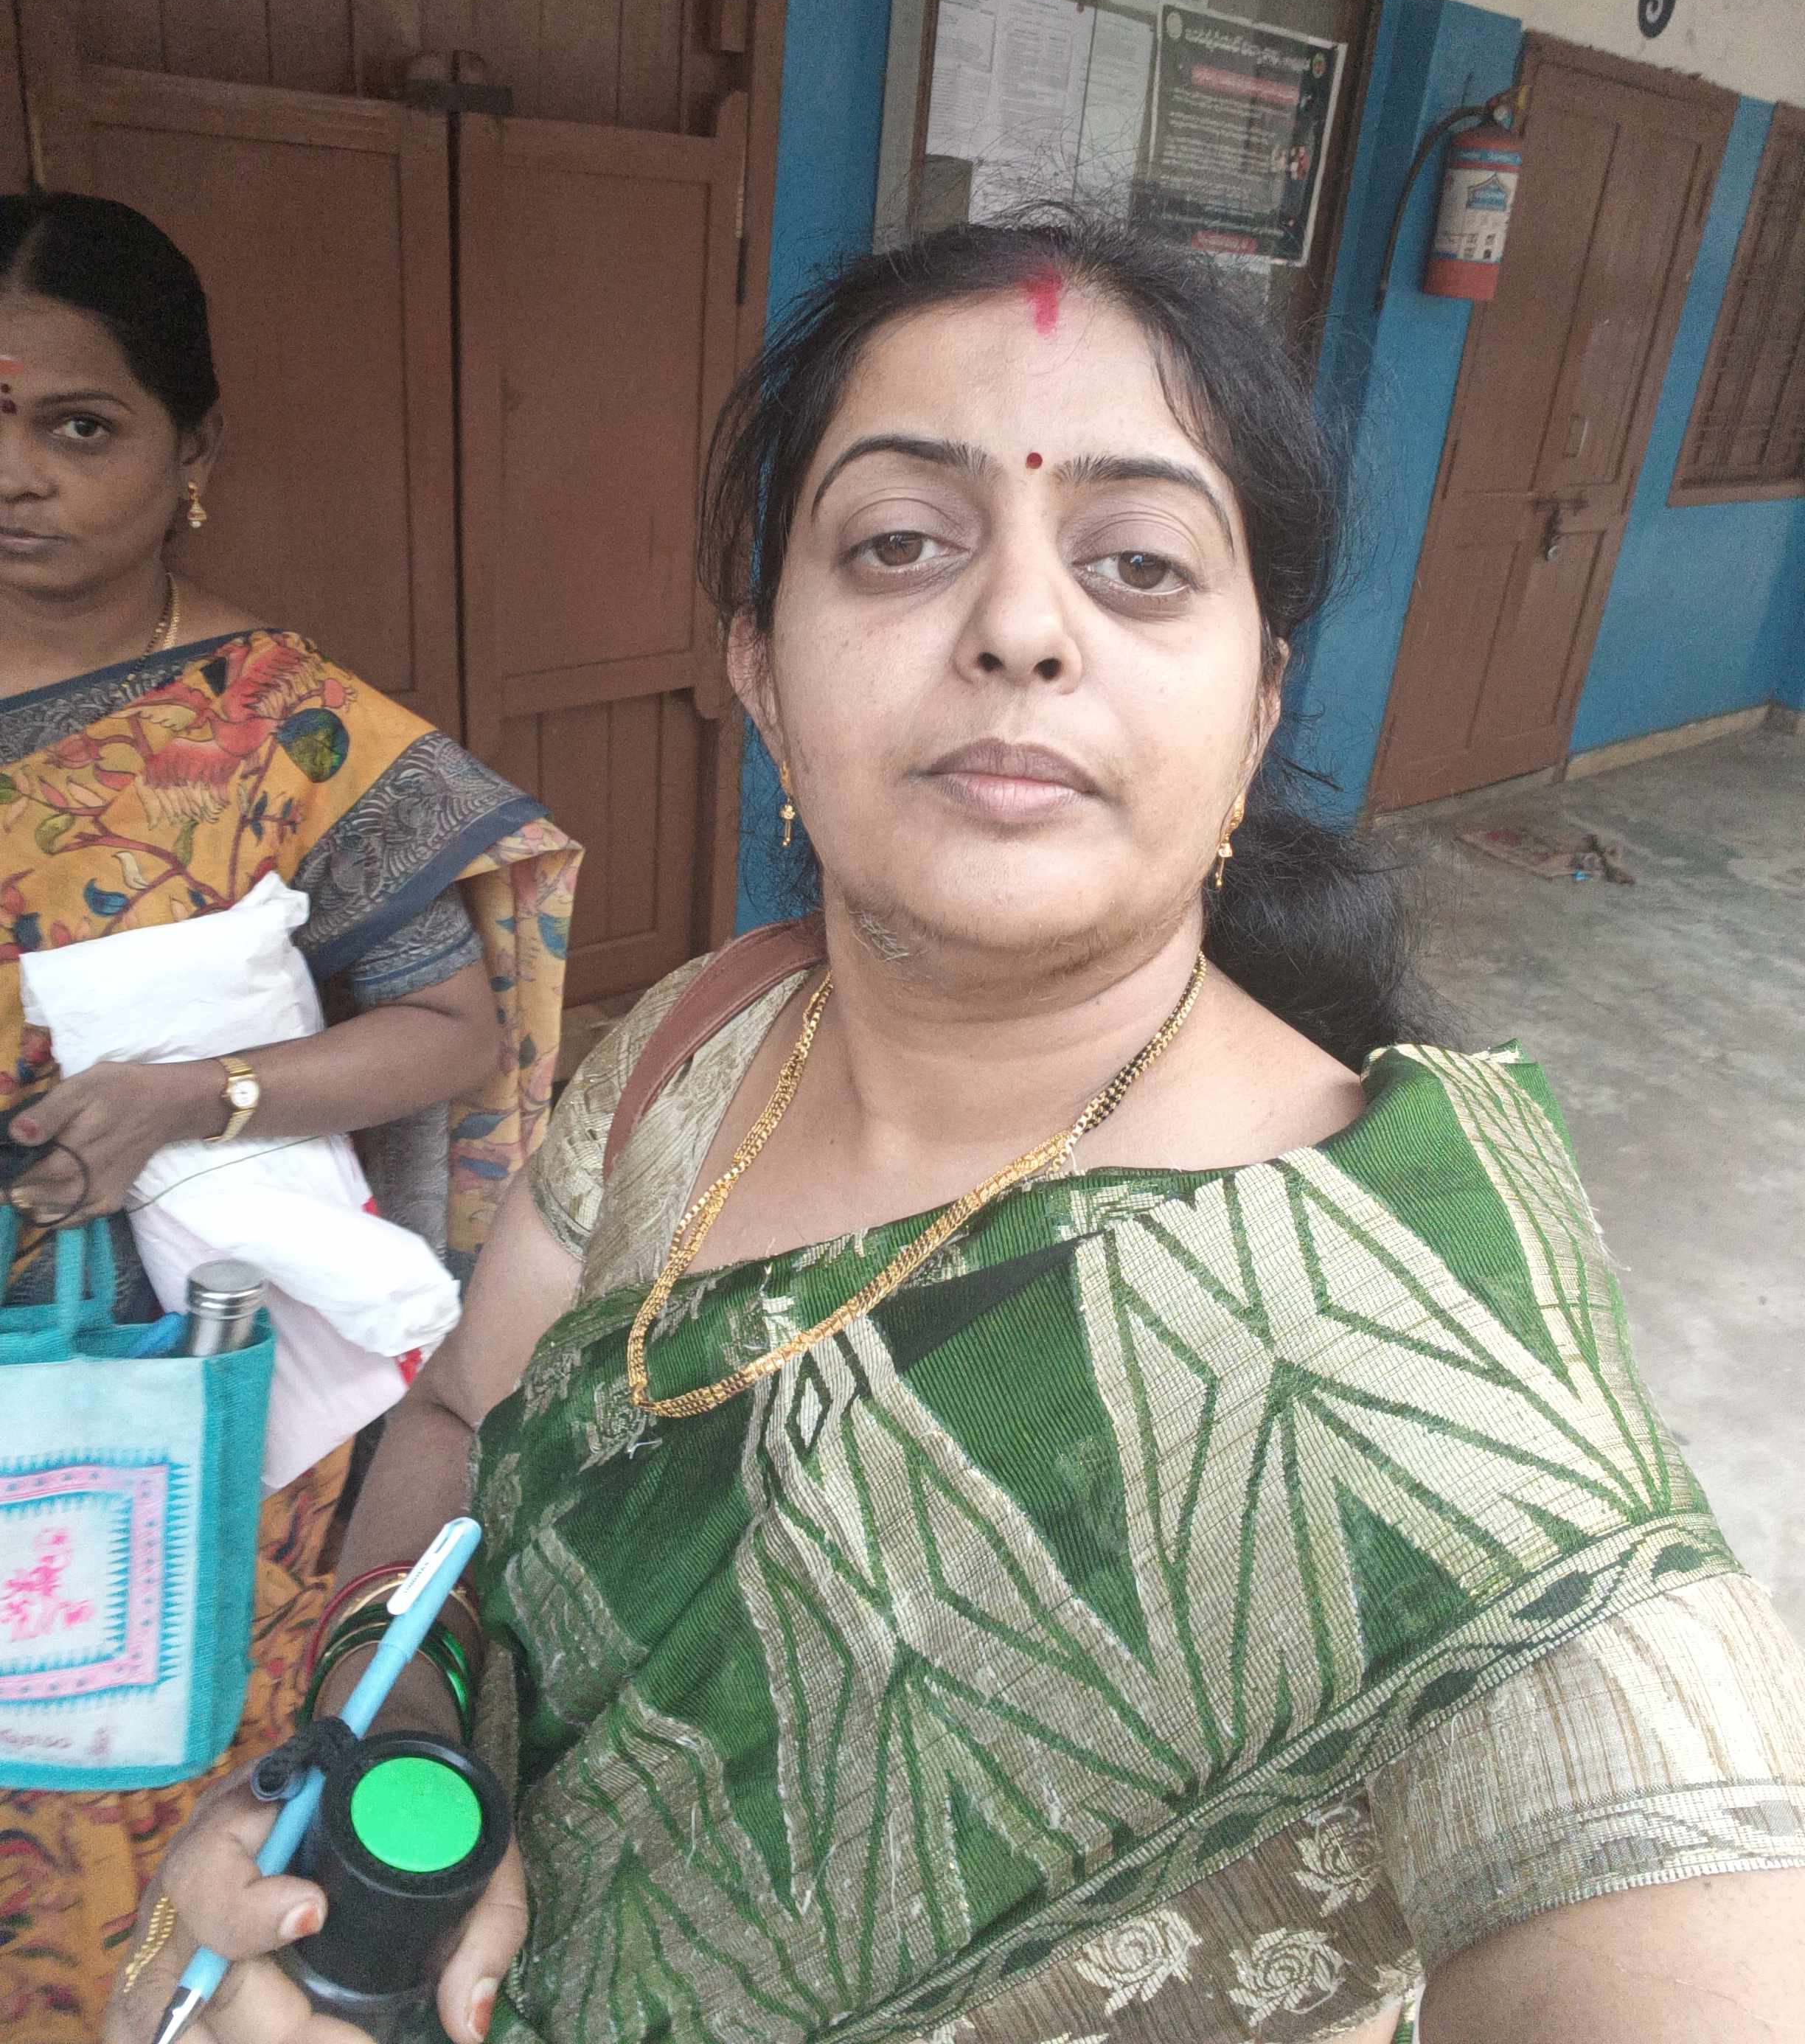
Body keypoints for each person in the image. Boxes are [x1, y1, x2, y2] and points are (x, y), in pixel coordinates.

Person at [105, 215, 1805, 2044]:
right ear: (763, 673)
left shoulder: (1445, 1378)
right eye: (902, 543)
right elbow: (452, 1420)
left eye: (1139, 565)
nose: (1018, 628)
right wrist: (387, 1754)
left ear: (1258, 706)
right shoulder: (693, 1045)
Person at [0, 192, 579, 2042]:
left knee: (132, 1787)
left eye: (78, 425)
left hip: (170, 1405)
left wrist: (192, 1096)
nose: (16, 474)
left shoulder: (281, 735)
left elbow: (449, 1031)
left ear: (191, 456)